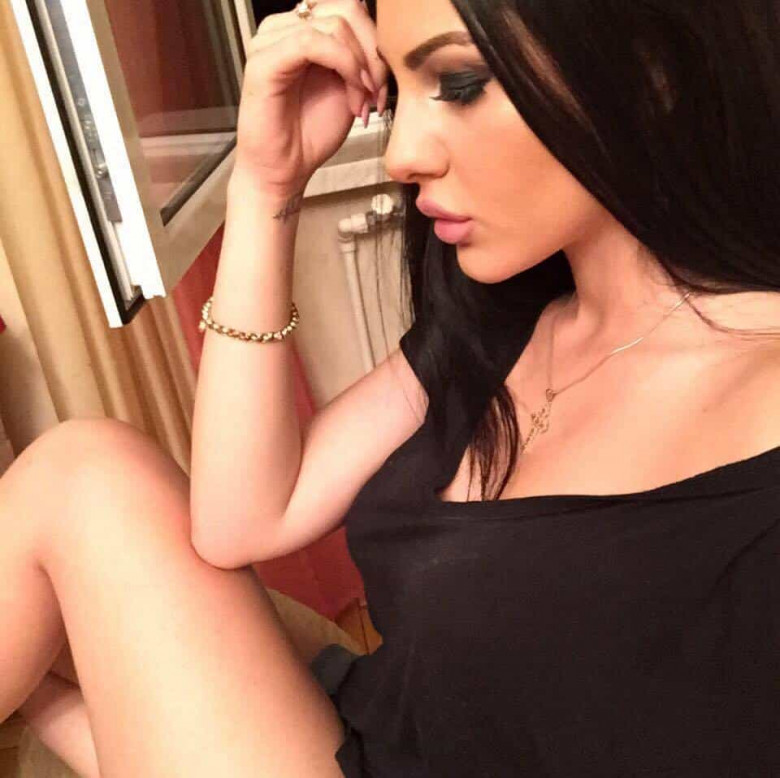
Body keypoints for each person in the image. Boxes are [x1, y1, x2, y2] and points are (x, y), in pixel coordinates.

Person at [2, 0, 779, 774]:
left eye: (461, 83)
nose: (401, 155)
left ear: (651, 76)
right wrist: (266, 183)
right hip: (376, 731)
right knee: (85, 473)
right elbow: (241, 521)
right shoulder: (506, 326)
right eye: (400, 93)